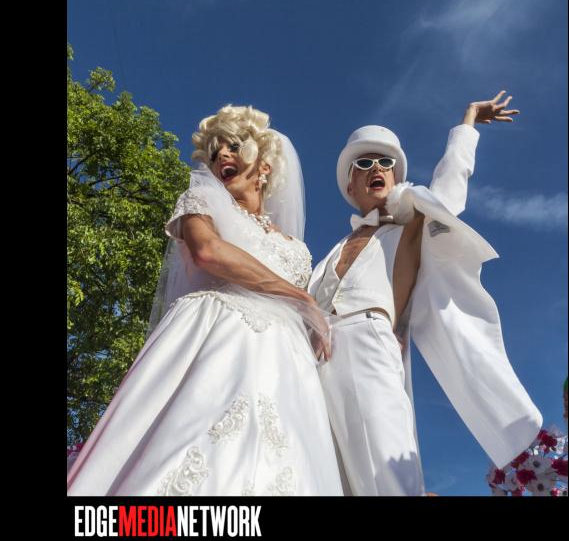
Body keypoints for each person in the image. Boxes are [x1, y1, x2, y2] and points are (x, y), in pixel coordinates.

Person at [67, 105, 343, 496]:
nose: (221, 156)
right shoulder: (200, 202)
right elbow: (208, 251)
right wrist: (300, 297)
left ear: (264, 167)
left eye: (234, 146)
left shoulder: (297, 249)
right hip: (216, 336)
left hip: (286, 364)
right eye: (214, 153)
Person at [308, 91, 543, 495]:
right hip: (312, 356)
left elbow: (448, 190)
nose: (377, 168)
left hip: (367, 340)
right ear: (350, 183)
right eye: (364, 163)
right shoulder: (330, 252)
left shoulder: (412, 223)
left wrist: (467, 123)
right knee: (322, 473)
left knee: (386, 470)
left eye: (386, 163)